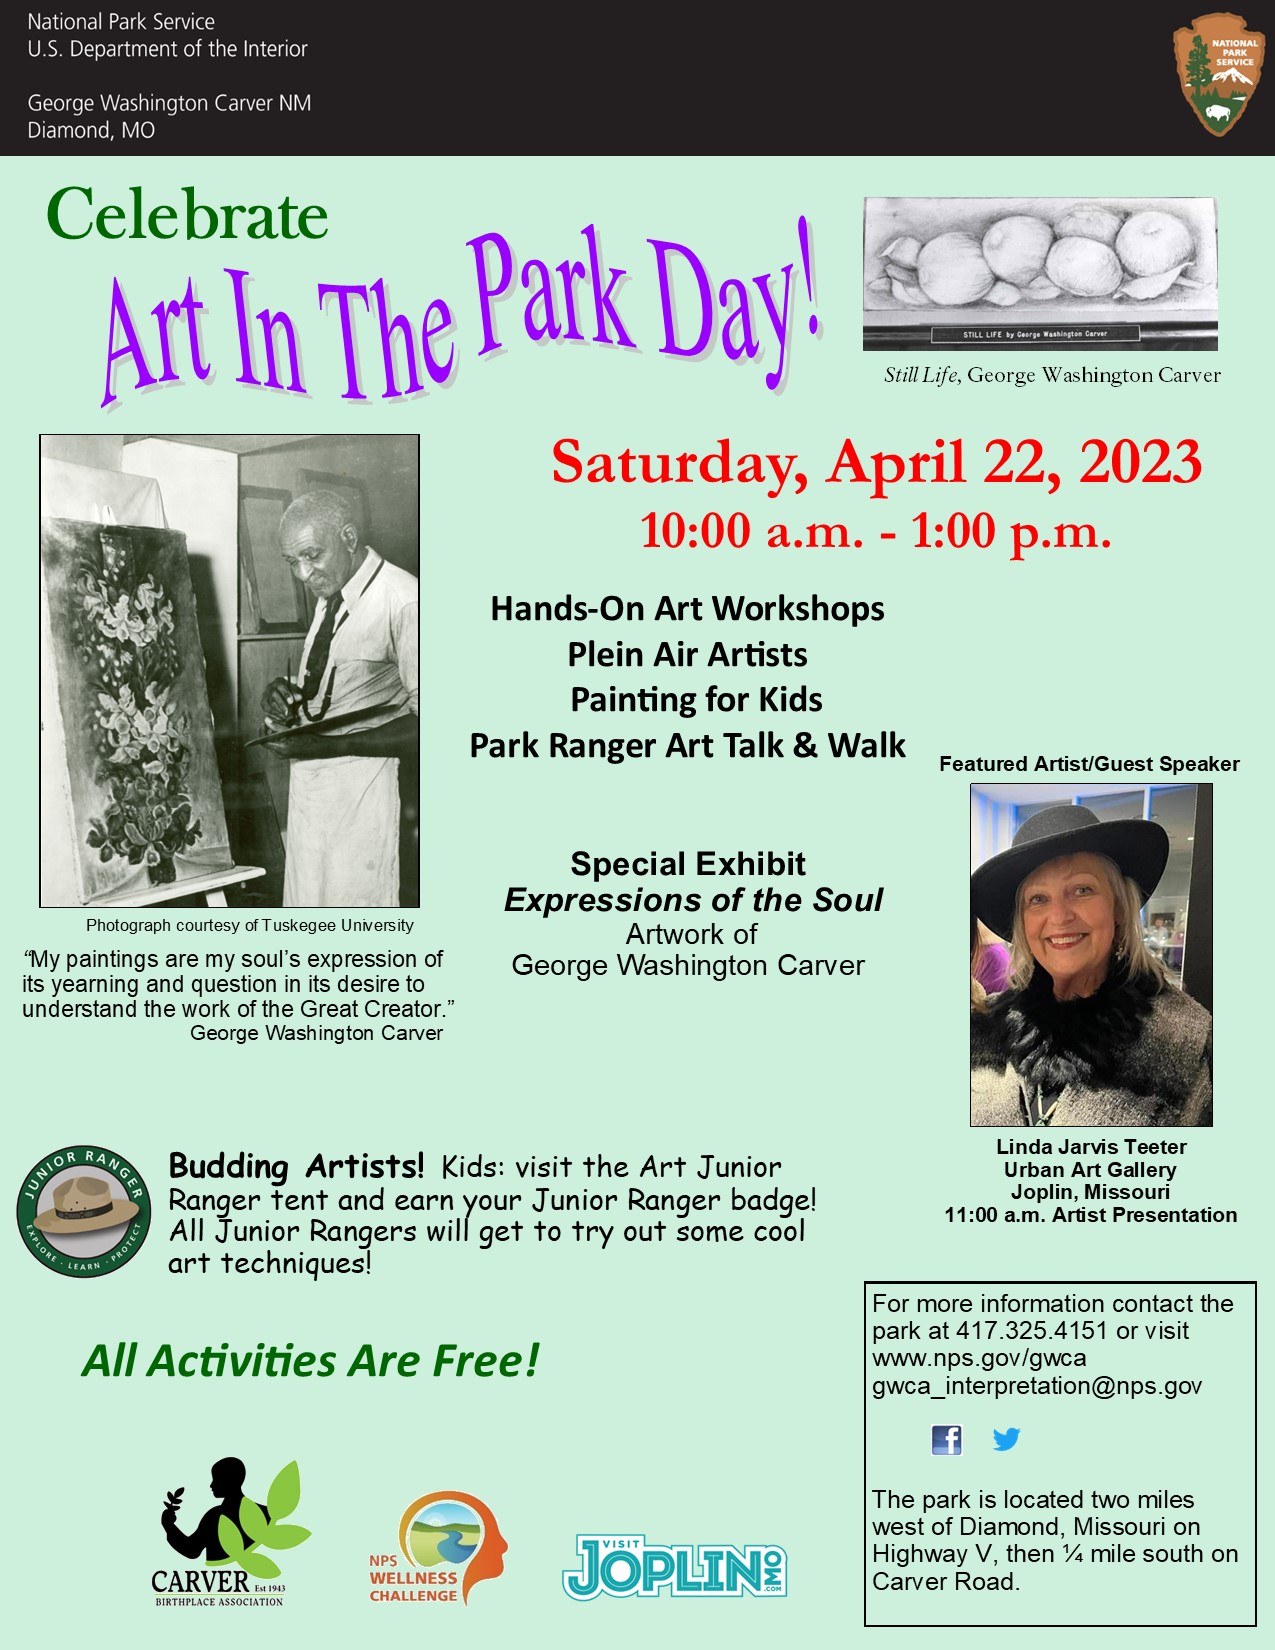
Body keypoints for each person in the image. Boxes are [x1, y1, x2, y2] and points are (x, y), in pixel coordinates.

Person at [970, 804, 1211, 1127]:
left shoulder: (1189, 1043)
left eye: (1082, 890)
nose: (1059, 917)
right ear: (1022, 922)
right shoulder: (984, 1027)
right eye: (1038, 899)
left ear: (1119, 908)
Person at [259, 491, 418, 907]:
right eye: (292, 561)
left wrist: (331, 745)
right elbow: (341, 687)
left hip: (364, 795)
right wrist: (284, 694)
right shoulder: (334, 593)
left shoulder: (404, 600)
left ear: (348, 537)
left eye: (311, 555)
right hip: (312, 793)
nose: (303, 574)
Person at [160, 1457, 268, 1561]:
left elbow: (191, 1549)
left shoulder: (215, 1516)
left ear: (230, 1480)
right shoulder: (266, 1513)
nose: (211, 1485)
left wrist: (168, 1525)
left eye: (217, 1479)